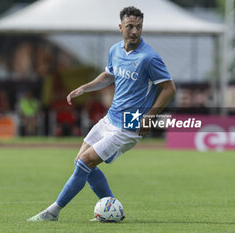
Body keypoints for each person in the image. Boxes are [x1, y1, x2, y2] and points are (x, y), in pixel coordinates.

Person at [27, 6, 176, 221]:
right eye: (130, 26)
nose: (135, 31)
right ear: (120, 27)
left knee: (85, 162)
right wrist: (84, 88)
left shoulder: (149, 58)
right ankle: (113, 210)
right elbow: (109, 75)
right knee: (80, 161)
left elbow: (169, 88)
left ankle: (53, 212)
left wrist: (150, 116)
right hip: (110, 119)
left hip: (129, 125)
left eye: (139, 27)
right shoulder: (115, 50)